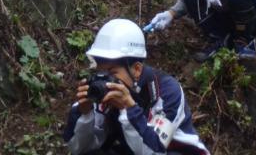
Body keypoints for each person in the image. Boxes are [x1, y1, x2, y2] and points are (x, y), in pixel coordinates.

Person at [63, 19, 209, 155]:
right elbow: (78, 149)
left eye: (112, 72)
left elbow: (154, 151)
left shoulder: (167, 92)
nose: (106, 80)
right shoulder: (100, 90)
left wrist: (128, 109)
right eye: (100, 72)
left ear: (137, 69)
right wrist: (85, 114)